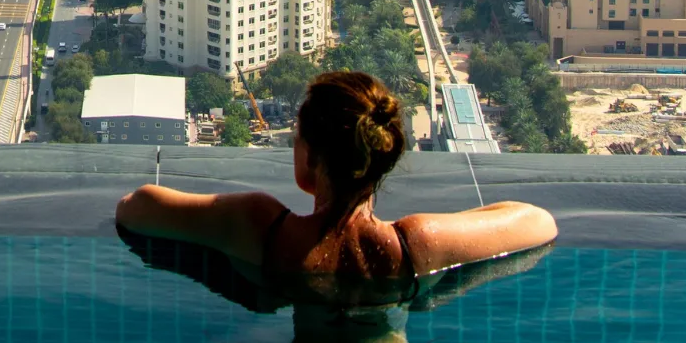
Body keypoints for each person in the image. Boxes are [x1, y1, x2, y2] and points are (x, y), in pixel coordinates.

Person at [115, 70, 557, 285]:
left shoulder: (259, 227)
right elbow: (537, 222)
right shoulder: (417, 245)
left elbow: (136, 208)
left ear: (308, 159)